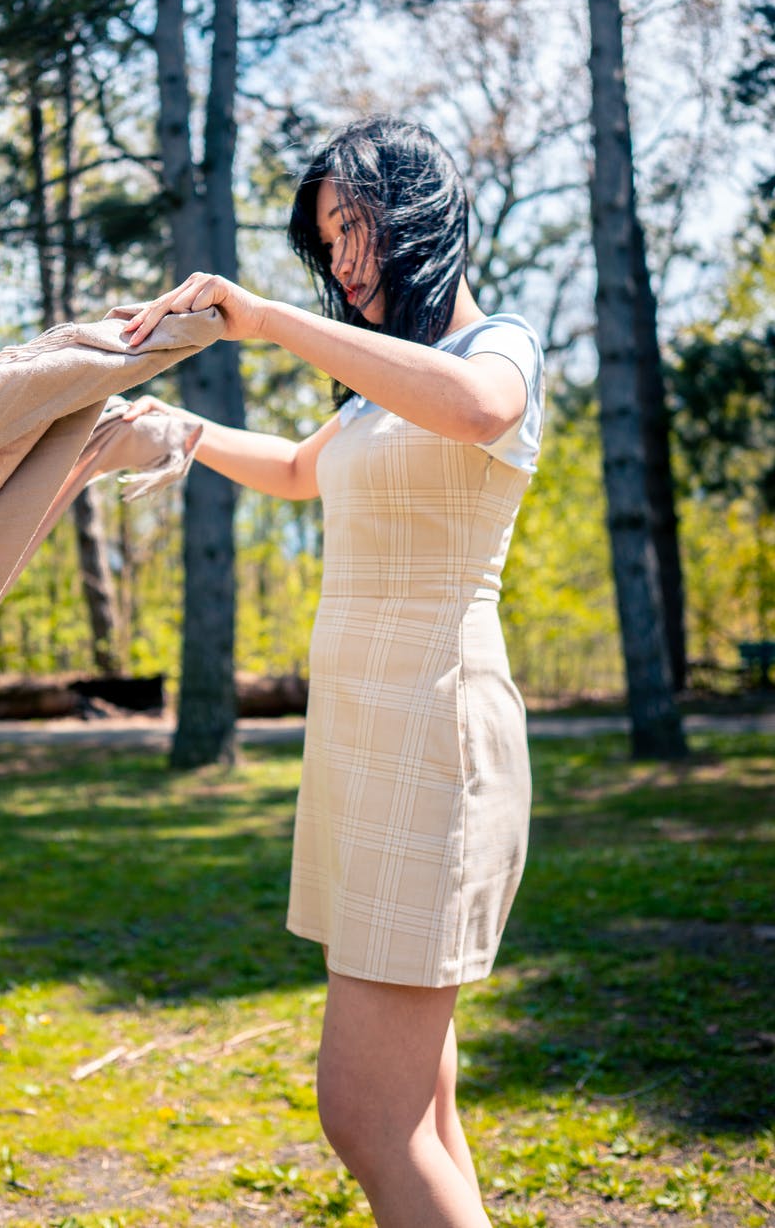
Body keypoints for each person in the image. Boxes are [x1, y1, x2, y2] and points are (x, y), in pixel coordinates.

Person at [111, 115, 544, 1228]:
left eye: (358, 231)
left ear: (421, 219)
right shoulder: (373, 393)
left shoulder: (493, 347)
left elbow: (482, 409)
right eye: (326, 240)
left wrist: (267, 322)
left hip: (435, 738)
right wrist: (169, 429)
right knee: (425, 1111)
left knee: (365, 1115)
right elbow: (305, 472)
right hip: (362, 744)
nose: (344, 261)